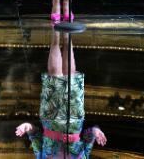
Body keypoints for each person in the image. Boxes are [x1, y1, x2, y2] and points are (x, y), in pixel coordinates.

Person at [15, 28, 107, 158]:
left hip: (51, 118)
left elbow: (35, 136)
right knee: (70, 75)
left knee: (54, 72)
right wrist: (96, 131)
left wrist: (27, 127)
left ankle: (56, 26)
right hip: (74, 118)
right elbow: (88, 138)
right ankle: (67, 32)